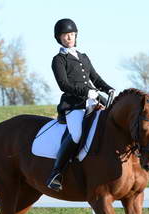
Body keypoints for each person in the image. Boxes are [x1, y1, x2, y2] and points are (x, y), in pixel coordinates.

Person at [46, 18, 115, 192]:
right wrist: (86, 92)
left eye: (71, 34)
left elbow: (96, 78)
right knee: (76, 135)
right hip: (73, 104)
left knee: (112, 123)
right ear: (59, 38)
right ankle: (56, 173)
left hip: (94, 100)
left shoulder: (83, 57)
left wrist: (108, 88)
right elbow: (64, 85)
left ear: (75, 36)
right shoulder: (59, 60)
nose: (69, 38)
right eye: (65, 35)